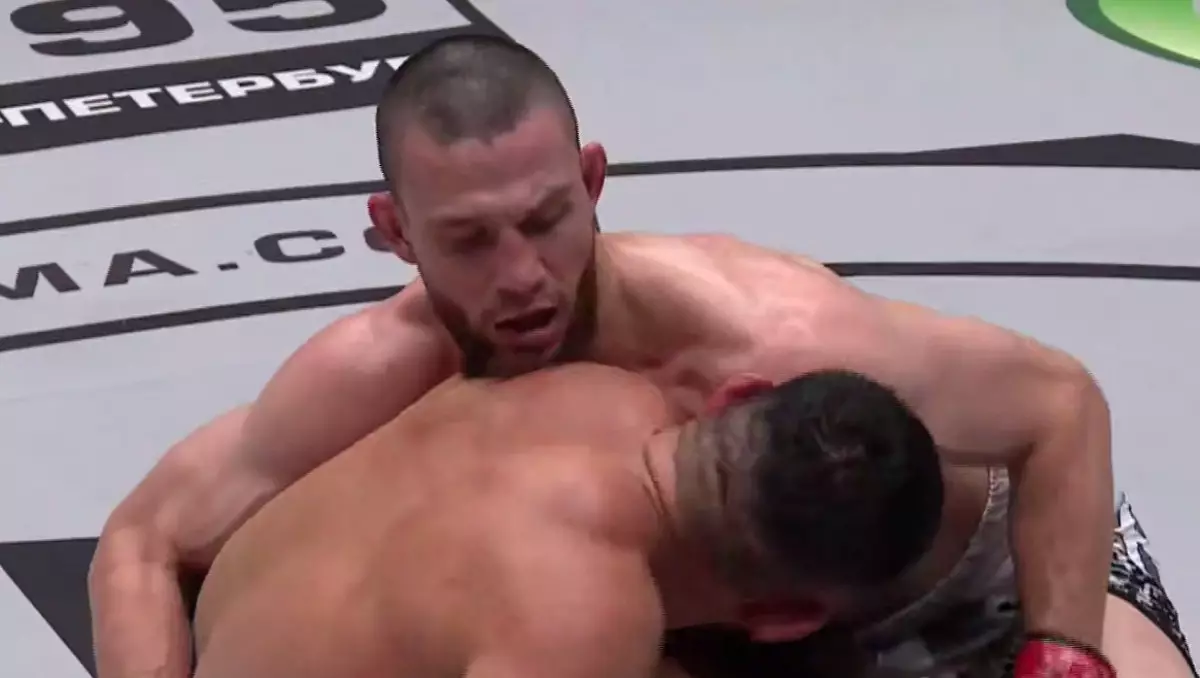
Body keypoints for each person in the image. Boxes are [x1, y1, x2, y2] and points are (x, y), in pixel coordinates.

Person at [87, 33, 1193, 678]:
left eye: (545, 219)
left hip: (985, 568)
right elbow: (145, 540)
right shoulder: (379, 372)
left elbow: (1060, 407)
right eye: (470, 240)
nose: (522, 275)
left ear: (593, 183)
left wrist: (1061, 650)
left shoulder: (769, 334)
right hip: (741, 626)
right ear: (395, 231)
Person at [189, 364, 946, 678]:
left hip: (224, 621)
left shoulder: (598, 386)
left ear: (735, 395)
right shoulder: (587, 623)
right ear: (785, 618)